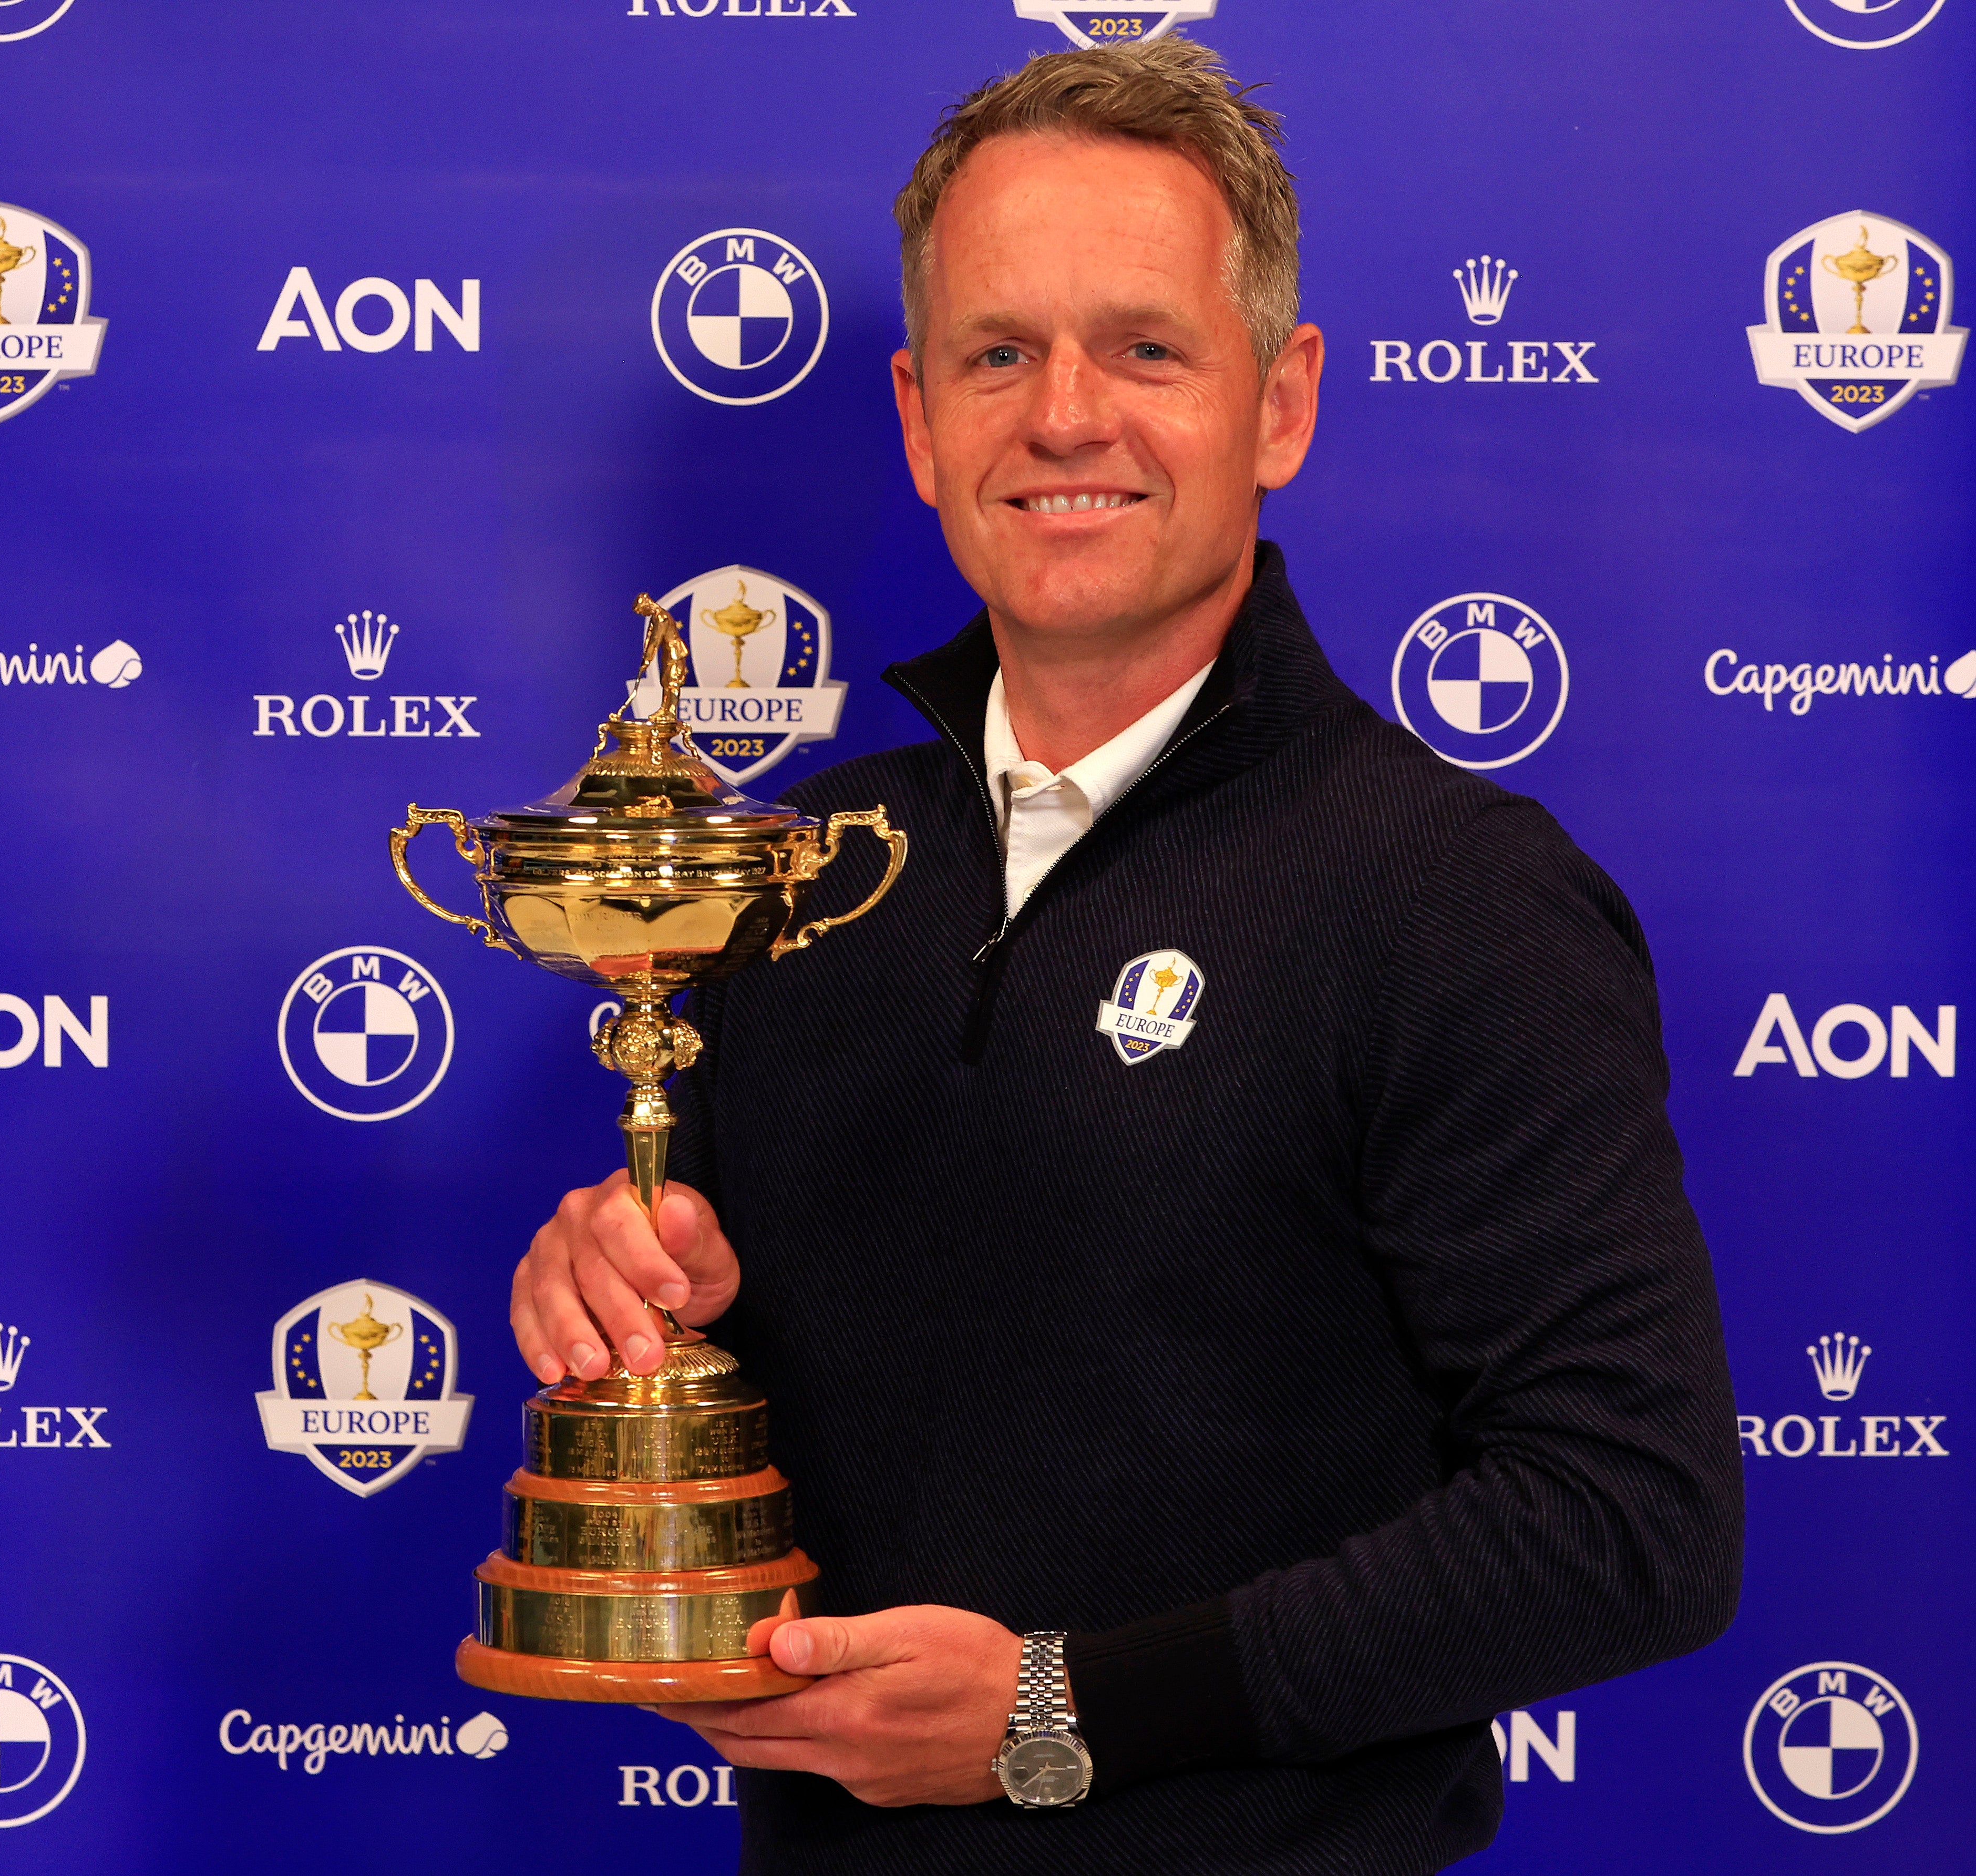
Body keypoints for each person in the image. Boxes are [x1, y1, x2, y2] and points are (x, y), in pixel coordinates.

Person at [508, 39, 1743, 1875]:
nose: (1065, 415)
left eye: (1145, 348)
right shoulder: (795, 868)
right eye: (1000, 353)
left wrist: (1055, 1713)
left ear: (1280, 403)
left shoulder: (1455, 895)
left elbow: (1633, 1520)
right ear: (921, 420)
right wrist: (626, 1295)